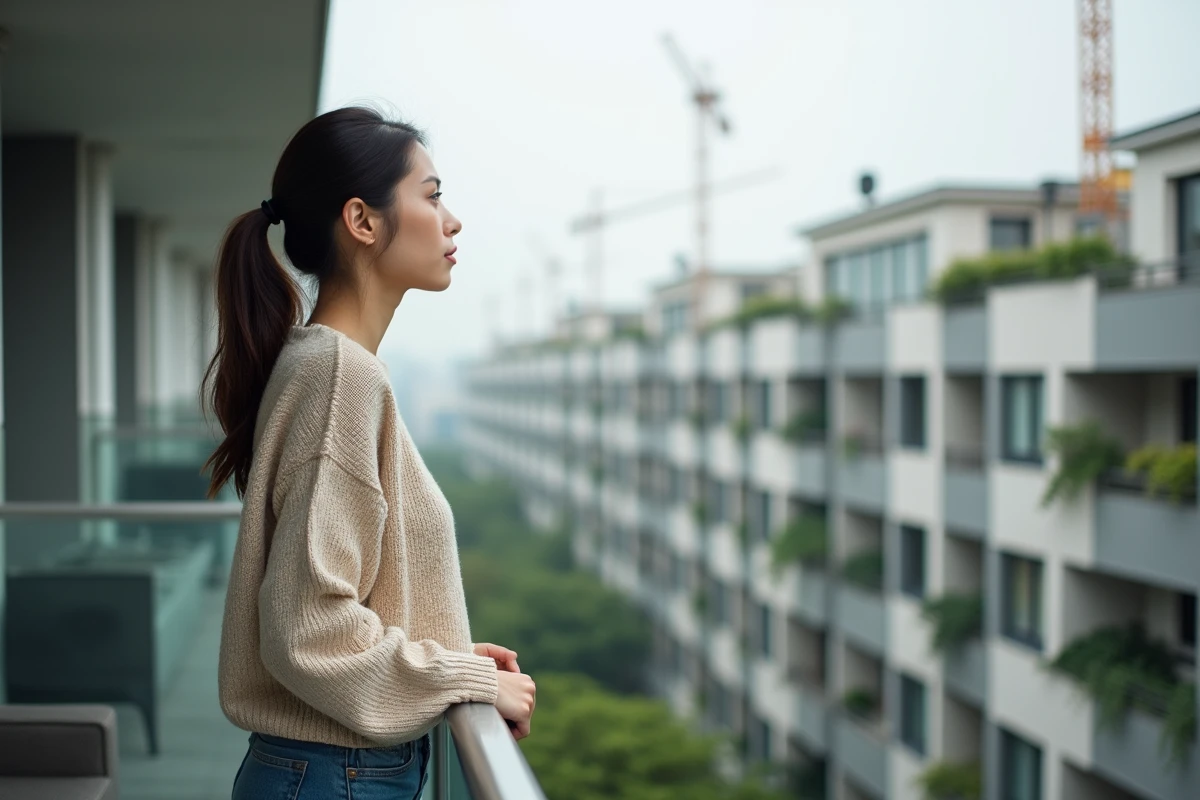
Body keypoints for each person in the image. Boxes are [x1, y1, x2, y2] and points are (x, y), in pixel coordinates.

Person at [203, 106, 536, 800]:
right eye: (432, 196)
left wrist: (436, 653)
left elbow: (340, 593)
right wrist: (464, 678)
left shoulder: (326, 365)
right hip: (336, 775)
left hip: (328, 771)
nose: (452, 221)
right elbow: (309, 628)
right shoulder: (339, 377)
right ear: (362, 220)